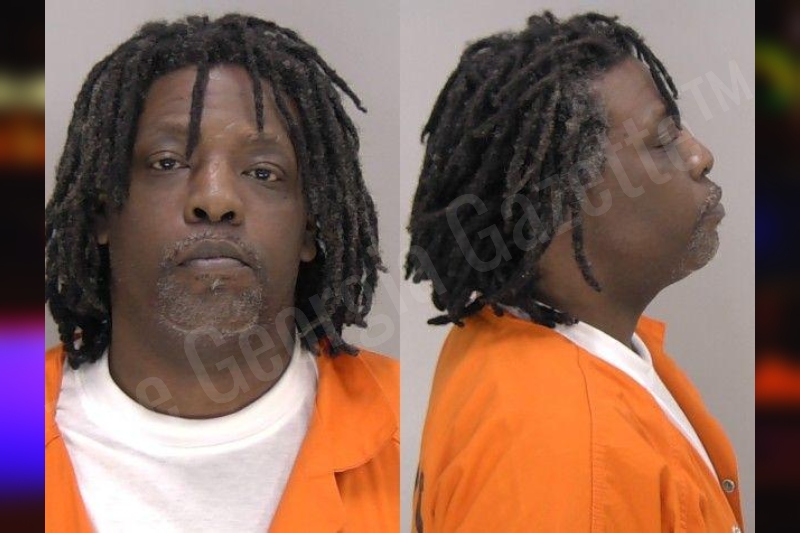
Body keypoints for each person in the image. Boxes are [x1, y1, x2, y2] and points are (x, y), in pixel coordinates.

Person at [45, 14, 397, 532]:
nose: (215, 199)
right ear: (101, 211)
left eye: (263, 172)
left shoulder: (409, 425)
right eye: (167, 162)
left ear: (309, 228)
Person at [406, 12, 743, 532]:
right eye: (663, 140)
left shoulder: (517, 341)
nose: (700, 156)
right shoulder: (565, 458)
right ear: (558, 208)